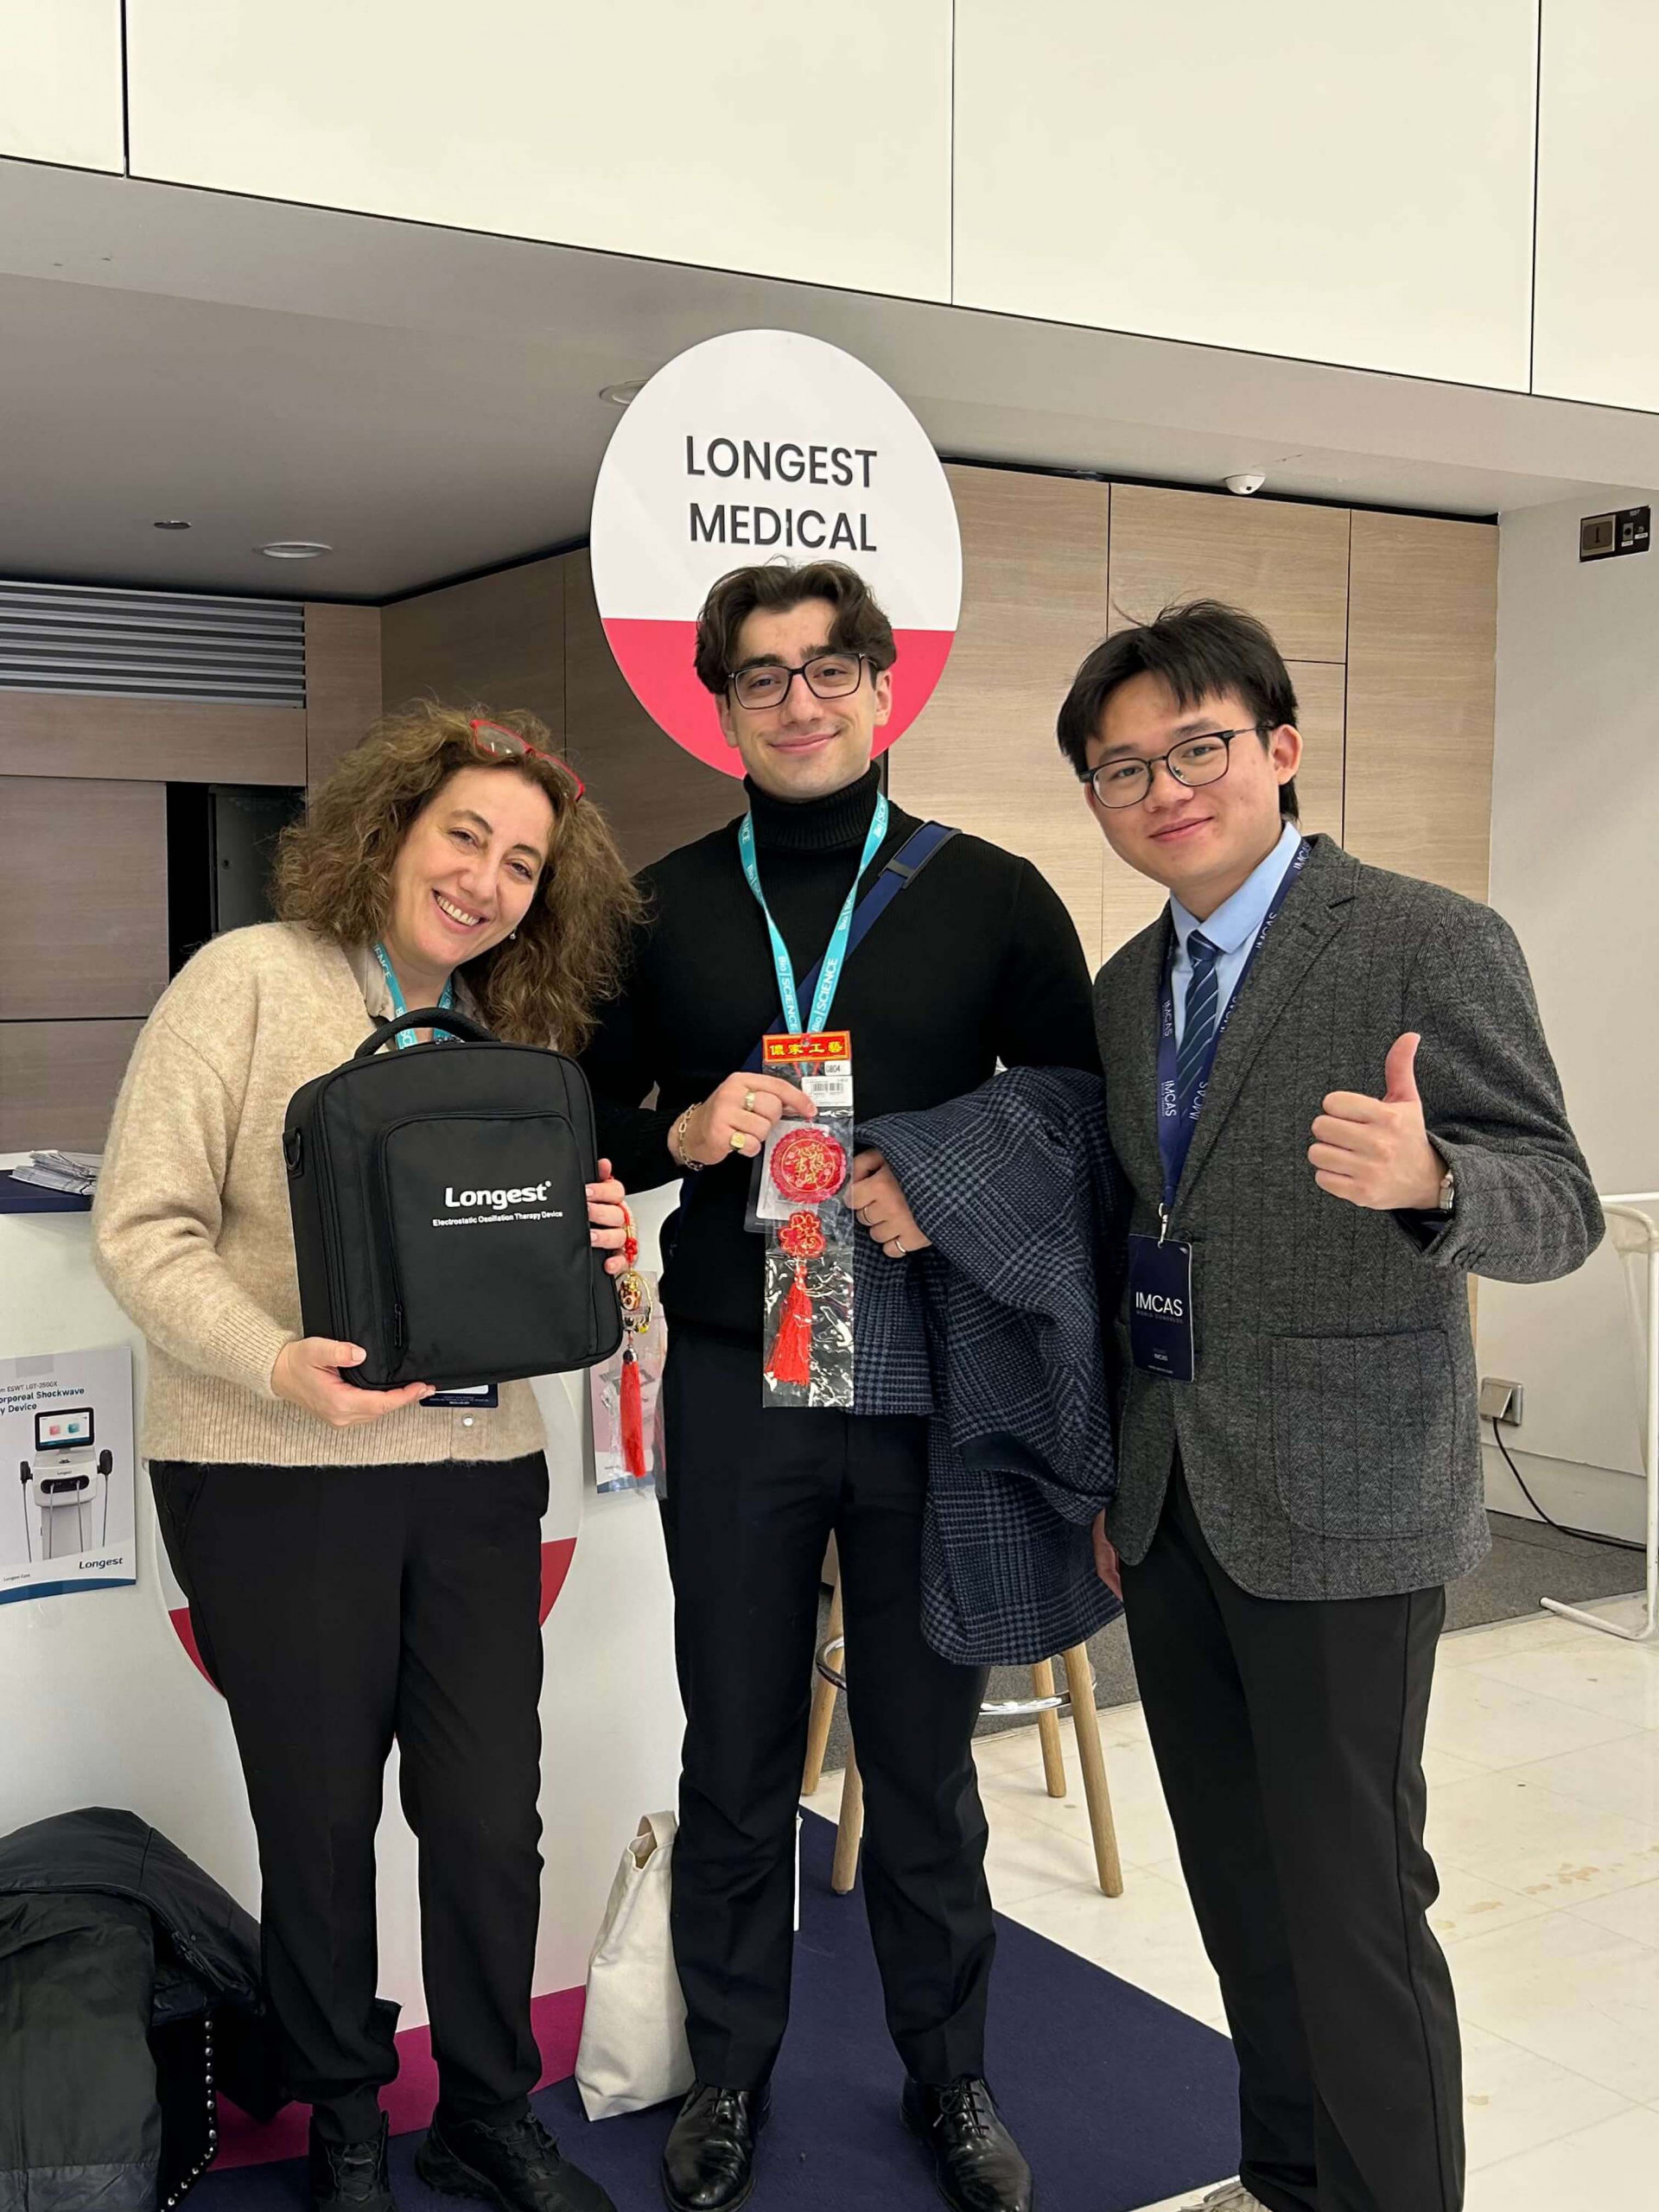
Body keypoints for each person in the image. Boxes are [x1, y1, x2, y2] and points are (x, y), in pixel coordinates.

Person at [1057, 601, 1602, 2212]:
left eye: (1198, 748)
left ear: (1281, 749)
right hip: (1174, 1495)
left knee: (1353, 1900)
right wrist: (1119, 1477)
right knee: (1237, 1883)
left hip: (1349, 1500)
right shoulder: (1126, 986)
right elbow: (1137, 1235)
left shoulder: (1426, 939)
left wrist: (1439, 1180)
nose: (1165, 790)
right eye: (1123, 769)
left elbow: (1561, 1205)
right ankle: (1285, 2178)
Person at [582, 559, 1098, 2212]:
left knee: (923, 1763)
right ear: (720, 705)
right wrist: (680, 1130)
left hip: (926, 1378)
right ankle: (729, 2074)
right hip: (737, 1379)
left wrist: (936, 1178)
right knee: (735, 1753)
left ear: (883, 688)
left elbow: (1078, 1116)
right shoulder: (661, 906)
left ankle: (952, 2079)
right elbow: (581, 1111)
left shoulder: (993, 894)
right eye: (761, 675)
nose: (797, 702)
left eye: (827, 670)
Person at [93, 704, 640, 2212]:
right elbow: (143, 1225)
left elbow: (541, 1287)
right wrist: (275, 1363)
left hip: (475, 1473)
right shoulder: (244, 981)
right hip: (270, 1471)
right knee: (319, 1819)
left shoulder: (514, 1035)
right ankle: (345, 2115)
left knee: (487, 1819)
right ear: (390, 828)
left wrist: (600, 1249)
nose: (486, 880)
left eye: (522, 863)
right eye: (465, 834)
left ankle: (486, 2111)